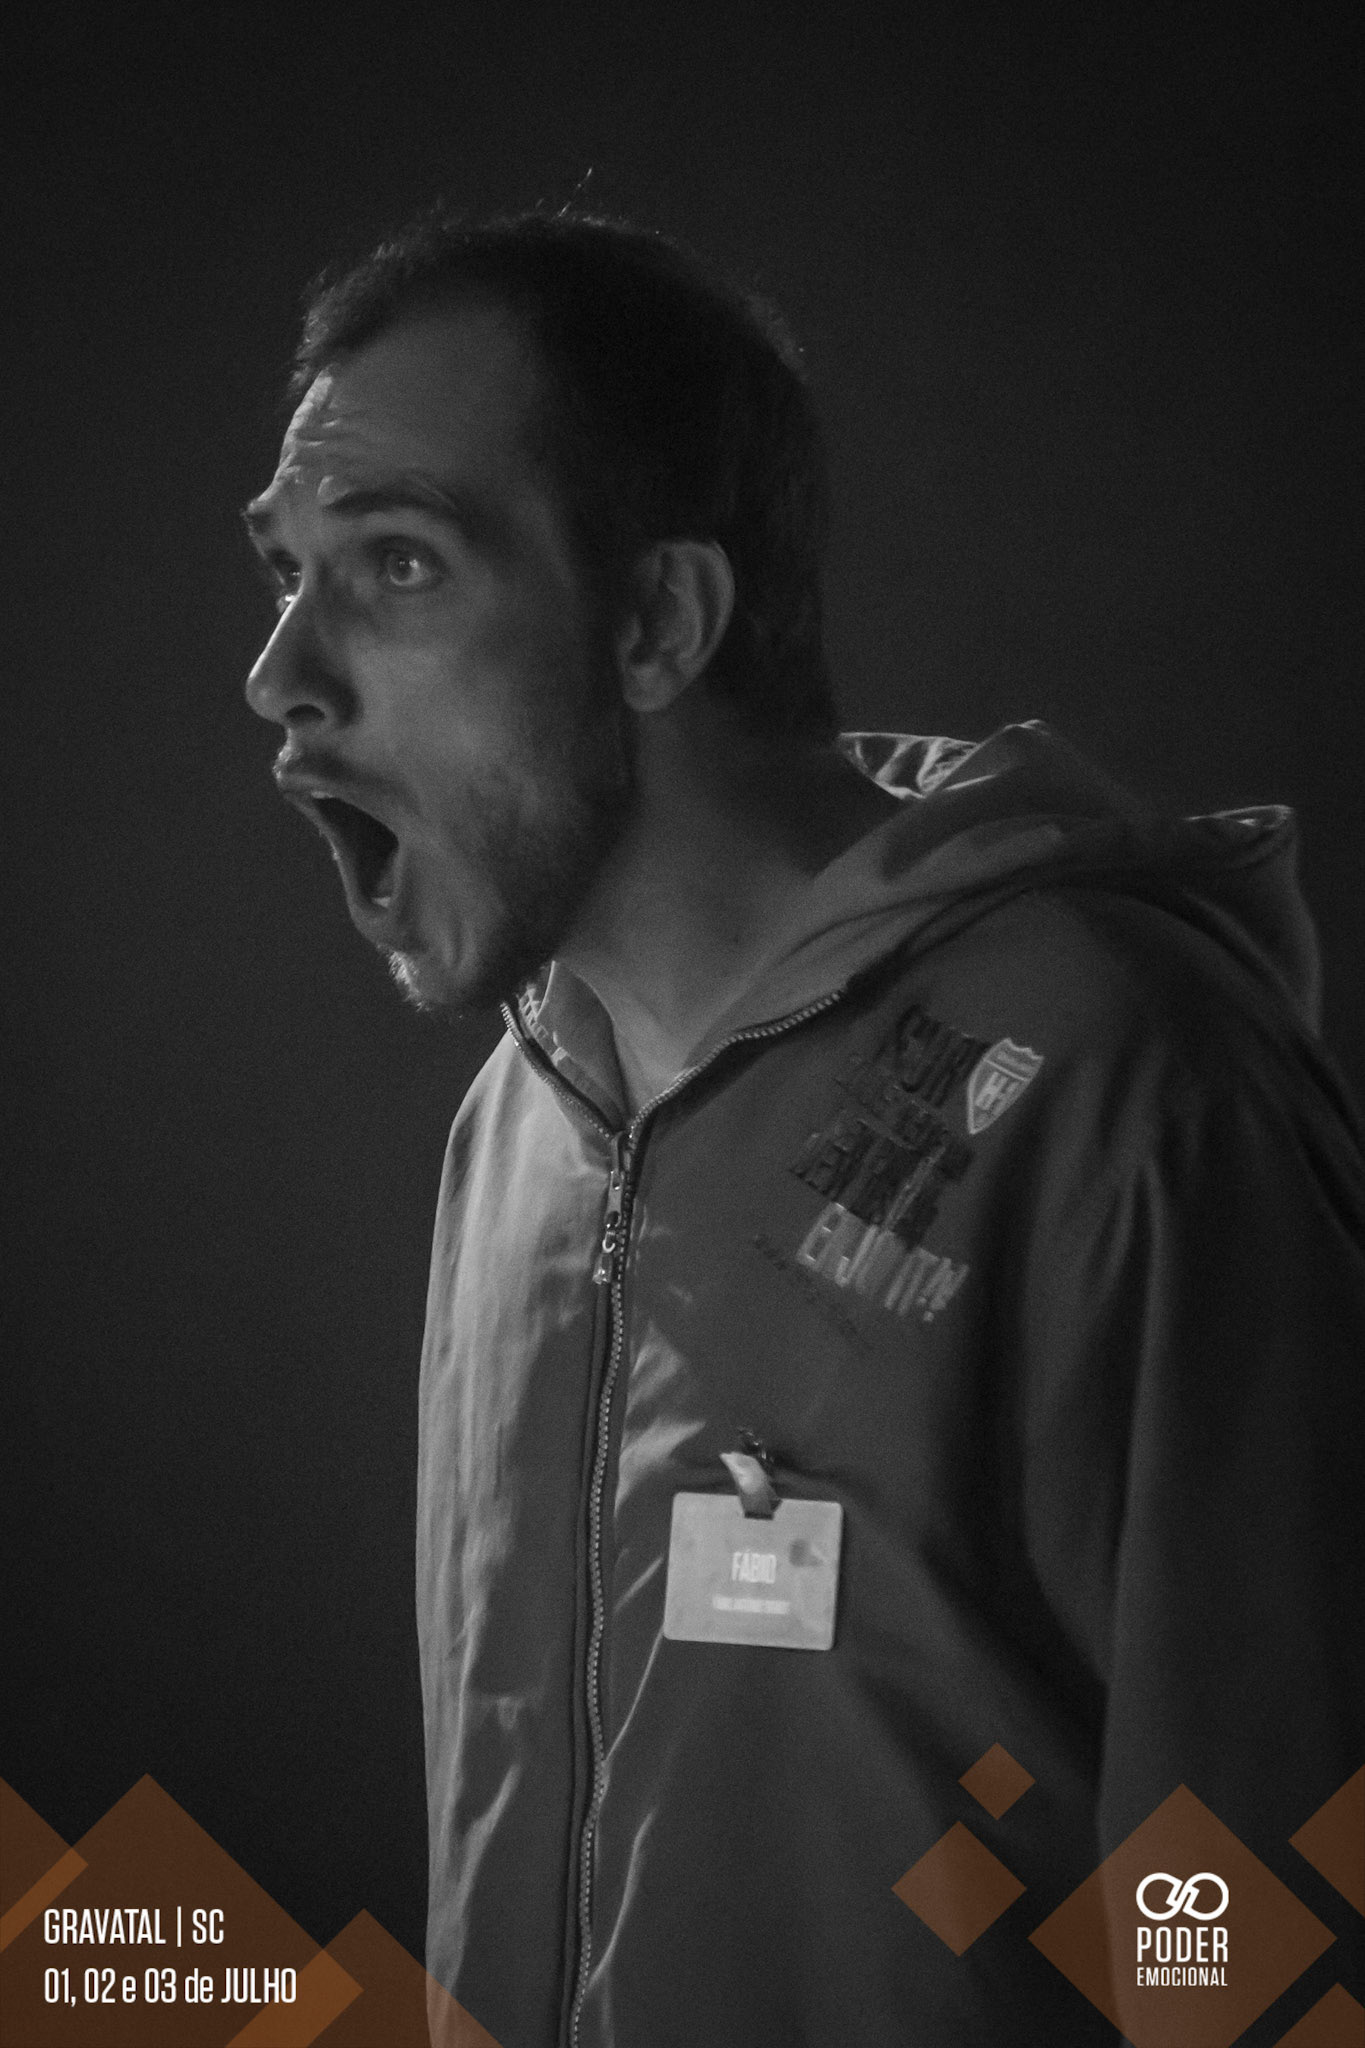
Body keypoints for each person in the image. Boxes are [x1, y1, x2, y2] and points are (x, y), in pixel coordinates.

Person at [242, 209, 1365, 2048]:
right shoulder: (516, 1119)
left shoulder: (1123, 1089)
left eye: (398, 563)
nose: (282, 669)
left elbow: (1254, 1919)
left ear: (658, 623)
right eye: (287, 572)